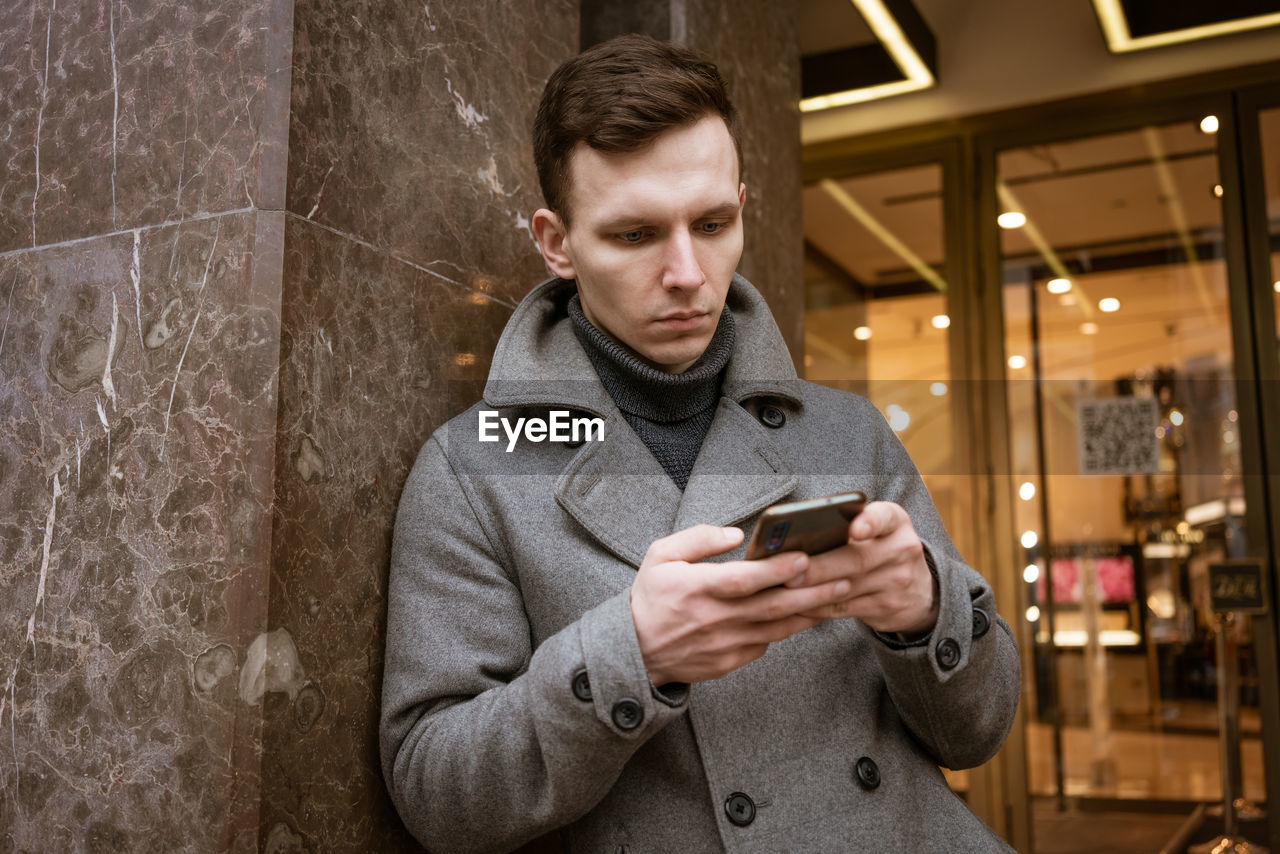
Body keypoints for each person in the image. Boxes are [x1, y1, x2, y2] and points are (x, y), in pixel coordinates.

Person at [380, 33, 1019, 853]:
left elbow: (979, 732)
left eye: (713, 223)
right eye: (636, 236)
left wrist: (925, 612)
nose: (688, 271)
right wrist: (630, 654)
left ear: (743, 208)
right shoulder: (476, 467)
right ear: (556, 242)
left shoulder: (847, 433)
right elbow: (435, 793)